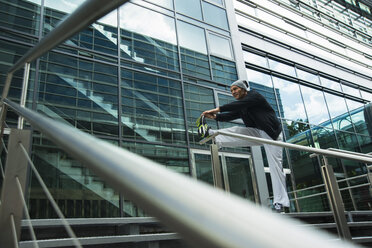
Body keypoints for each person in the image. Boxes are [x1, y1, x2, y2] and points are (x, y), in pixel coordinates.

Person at [196, 79, 290, 212]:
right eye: (231, 91)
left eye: (235, 89)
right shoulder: (242, 106)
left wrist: (216, 109)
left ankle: (280, 202)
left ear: (243, 89)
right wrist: (215, 117)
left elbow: (235, 106)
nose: (233, 92)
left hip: (272, 134)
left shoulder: (254, 96)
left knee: (275, 166)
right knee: (237, 131)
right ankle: (212, 134)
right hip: (258, 132)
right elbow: (230, 115)